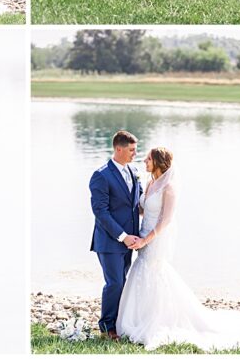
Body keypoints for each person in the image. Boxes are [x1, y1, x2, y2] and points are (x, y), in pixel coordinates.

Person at [116, 148, 240, 350]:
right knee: (142, 272)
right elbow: (144, 210)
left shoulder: (169, 187)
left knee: (155, 272)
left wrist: (146, 240)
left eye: (149, 158)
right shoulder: (150, 182)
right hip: (143, 234)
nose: (144, 160)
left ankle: (160, 319)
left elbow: (166, 220)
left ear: (159, 162)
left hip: (156, 237)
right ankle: (137, 317)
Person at [88, 130, 141, 339]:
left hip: (131, 242)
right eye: (131, 150)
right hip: (109, 241)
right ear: (118, 149)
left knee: (123, 281)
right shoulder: (101, 175)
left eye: (135, 150)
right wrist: (123, 236)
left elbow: (137, 201)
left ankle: (119, 322)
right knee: (115, 283)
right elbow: (100, 211)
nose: (134, 154)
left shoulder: (134, 170)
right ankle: (107, 327)